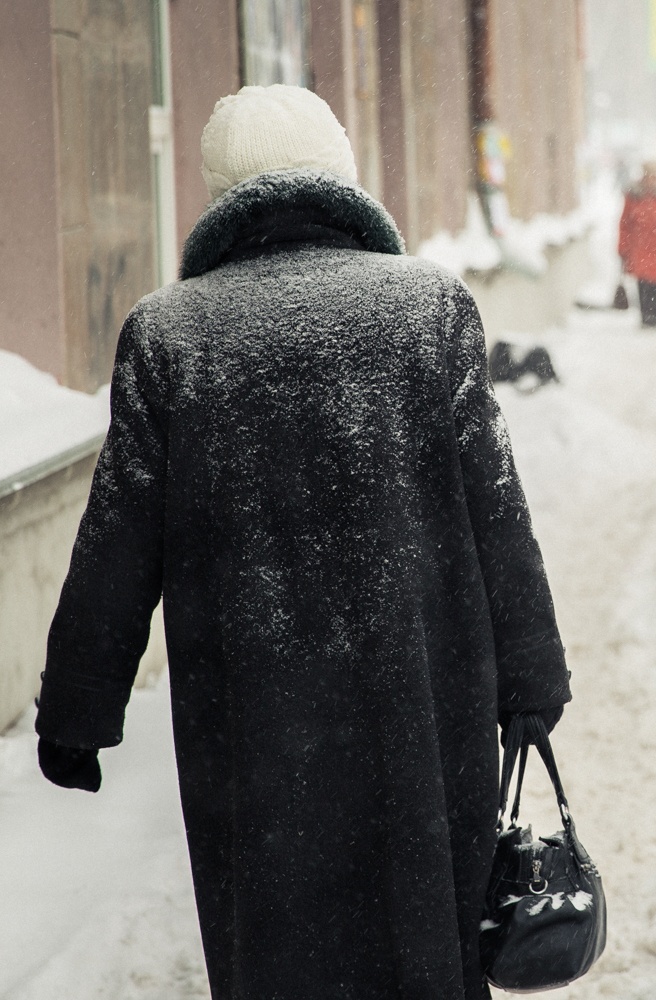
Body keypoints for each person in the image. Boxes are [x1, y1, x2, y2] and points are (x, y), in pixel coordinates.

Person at [33, 85, 571, 1000]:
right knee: (426, 947)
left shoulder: (172, 335)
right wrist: (532, 678)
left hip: (252, 736)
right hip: (422, 718)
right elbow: (500, 514)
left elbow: (114, 543)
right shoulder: (430, 312)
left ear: (218, 194)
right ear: (342, 178)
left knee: (273, 956)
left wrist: (79, 712)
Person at [617, 161, 656, 327]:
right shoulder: (634, 195)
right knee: (642, 283)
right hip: (639, 246)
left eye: (653, 176)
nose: (650, 180)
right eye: (647, 175)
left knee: (654, 284)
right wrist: (622, 247)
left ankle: (655, 317)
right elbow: (625, 223)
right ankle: (645, 317)